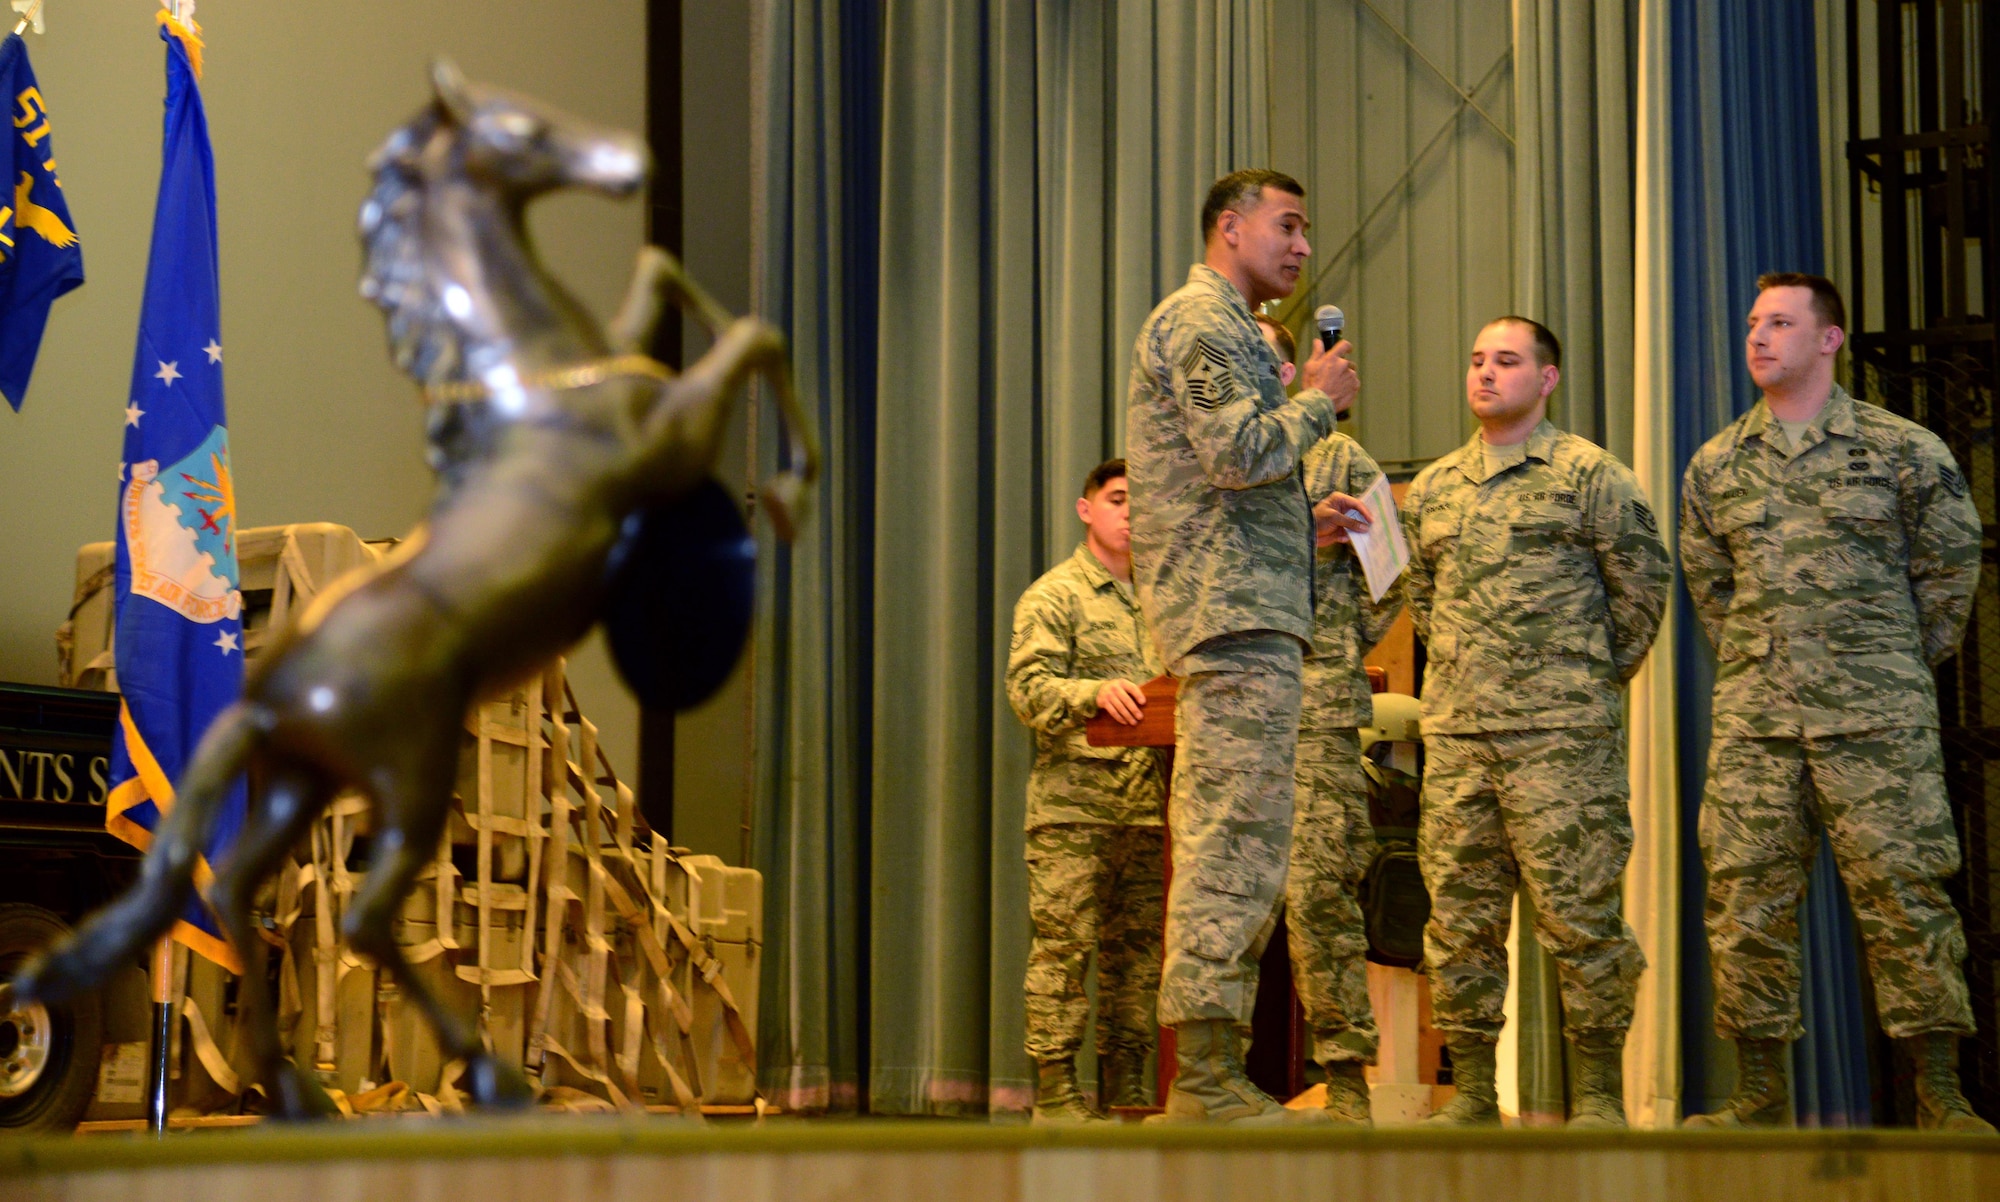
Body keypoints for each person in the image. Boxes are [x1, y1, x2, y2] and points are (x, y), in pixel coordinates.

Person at [1679, 273, 1992, 1132]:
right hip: (1758, 723)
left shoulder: (1903, 449)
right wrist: (1764, 663)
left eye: (1779, 322)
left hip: (1878, 720)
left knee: (1905, 895)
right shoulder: (1717, 463)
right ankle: (1759, 1093)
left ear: (1829, 339)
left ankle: (1939, 1092)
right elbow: (1712, 587)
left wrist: (1884, 663)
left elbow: (1950, 569)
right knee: (1745, 901)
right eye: (1751, 324)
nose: (1757, 337)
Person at [1127, 168, 1367, 1125]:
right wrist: (1316, 399)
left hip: (1249, 607)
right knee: (1232, 841)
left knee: (1250, 841)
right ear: (1231, 228)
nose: (1304, 246)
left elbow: (1223, 479)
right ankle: (1205, 1079)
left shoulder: (1225, 326)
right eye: (1289, 225)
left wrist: (1297, 531)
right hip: (1229, 622)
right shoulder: (1202, 321)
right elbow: (1235, 452)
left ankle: (1216, 1071)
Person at [1399, 316, 1670, 1128]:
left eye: (1506, 361)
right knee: (1458, 921)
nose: (1485, 373)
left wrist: (1575, 682)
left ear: (1547, 379)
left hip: (1562, 742)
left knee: (1582, 915)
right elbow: (1423, 600)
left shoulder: (1592, 476)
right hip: (1458, 742)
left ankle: (1596, 1094)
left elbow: (1642, 595)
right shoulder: (1439, 485)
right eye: (1477, 359)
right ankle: (1475, 1091)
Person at [1257, 311, 1403, 1125]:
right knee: (1229, 899)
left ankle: (1344, 1074)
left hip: (1313, 709)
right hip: (1231, 709)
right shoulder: (1219, 459)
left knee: (1320, 895)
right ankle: (1220, 1072)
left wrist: (1336, 643)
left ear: (1288, 375)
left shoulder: (1341, 458)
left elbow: (1392, 578)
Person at [1006, 458, 1167, 1123]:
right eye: (1119, 498)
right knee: (1063, 955)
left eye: (1143, 501)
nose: (1132, 512)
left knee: (1138, 965)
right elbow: (1028, 690)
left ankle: (1128, 1088)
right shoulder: (1055, 596)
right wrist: (1094, 692)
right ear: (1086, 509)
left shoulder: (1168, 600)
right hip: (1074, 811)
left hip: (1153, 812)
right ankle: (1055, 1093)